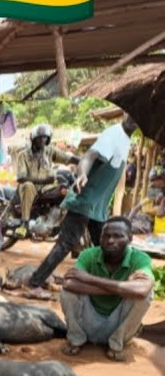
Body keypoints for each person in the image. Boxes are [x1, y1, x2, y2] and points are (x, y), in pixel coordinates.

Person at [24, 116, 139, 300]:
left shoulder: (126, 140)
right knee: (65, 244)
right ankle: (34, 283)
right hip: (85, 201)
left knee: (105, 245)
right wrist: (82, 174)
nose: (134, 120)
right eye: (132, 115)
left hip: (97, 207)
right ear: (126, 114)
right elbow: (89, 156)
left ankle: (111, 284)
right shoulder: (113, 134)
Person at [59, 216, 153, 362]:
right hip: (88, 323)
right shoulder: (88, 254)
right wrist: (122, 288)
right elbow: (69, 284)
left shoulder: (140, 259)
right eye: (106, 236)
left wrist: (90, 279)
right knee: (67, 292)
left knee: (145, 296)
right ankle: (76, 339)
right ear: (101, 237)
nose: (110, 240)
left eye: (118, 236)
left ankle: (116, 344)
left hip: (118, 325)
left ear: (129, 238)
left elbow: (142, 290)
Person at [14, 124, 80, 226]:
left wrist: (83, 161)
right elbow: (21, 178)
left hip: (47, 187)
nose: (42, 140)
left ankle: (54, 219)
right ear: (33, 139)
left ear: (48, 139)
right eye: (39, 137)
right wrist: (43, 180)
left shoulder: (49, 151)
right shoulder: (23, 155)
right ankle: (24, 222)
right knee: (28, 185)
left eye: (44, 137)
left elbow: (66, 158)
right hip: (30, 188)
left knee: (64, 189)